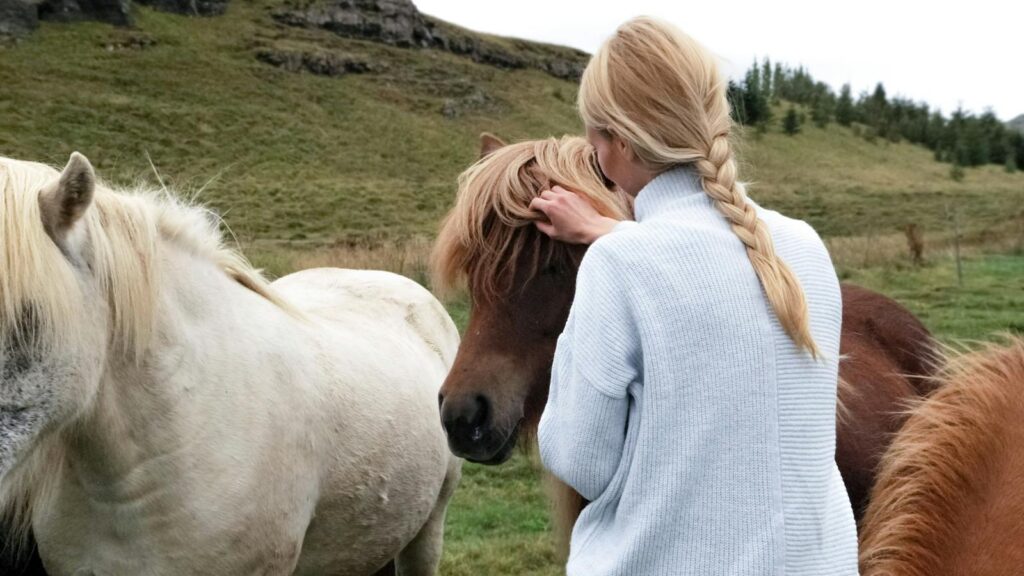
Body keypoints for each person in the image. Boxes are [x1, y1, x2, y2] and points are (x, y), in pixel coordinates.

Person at [530, 16, 859, 575]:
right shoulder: (803, 246)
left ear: (618, 144)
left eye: (594, 129)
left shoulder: (619, 266)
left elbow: (581, 461)